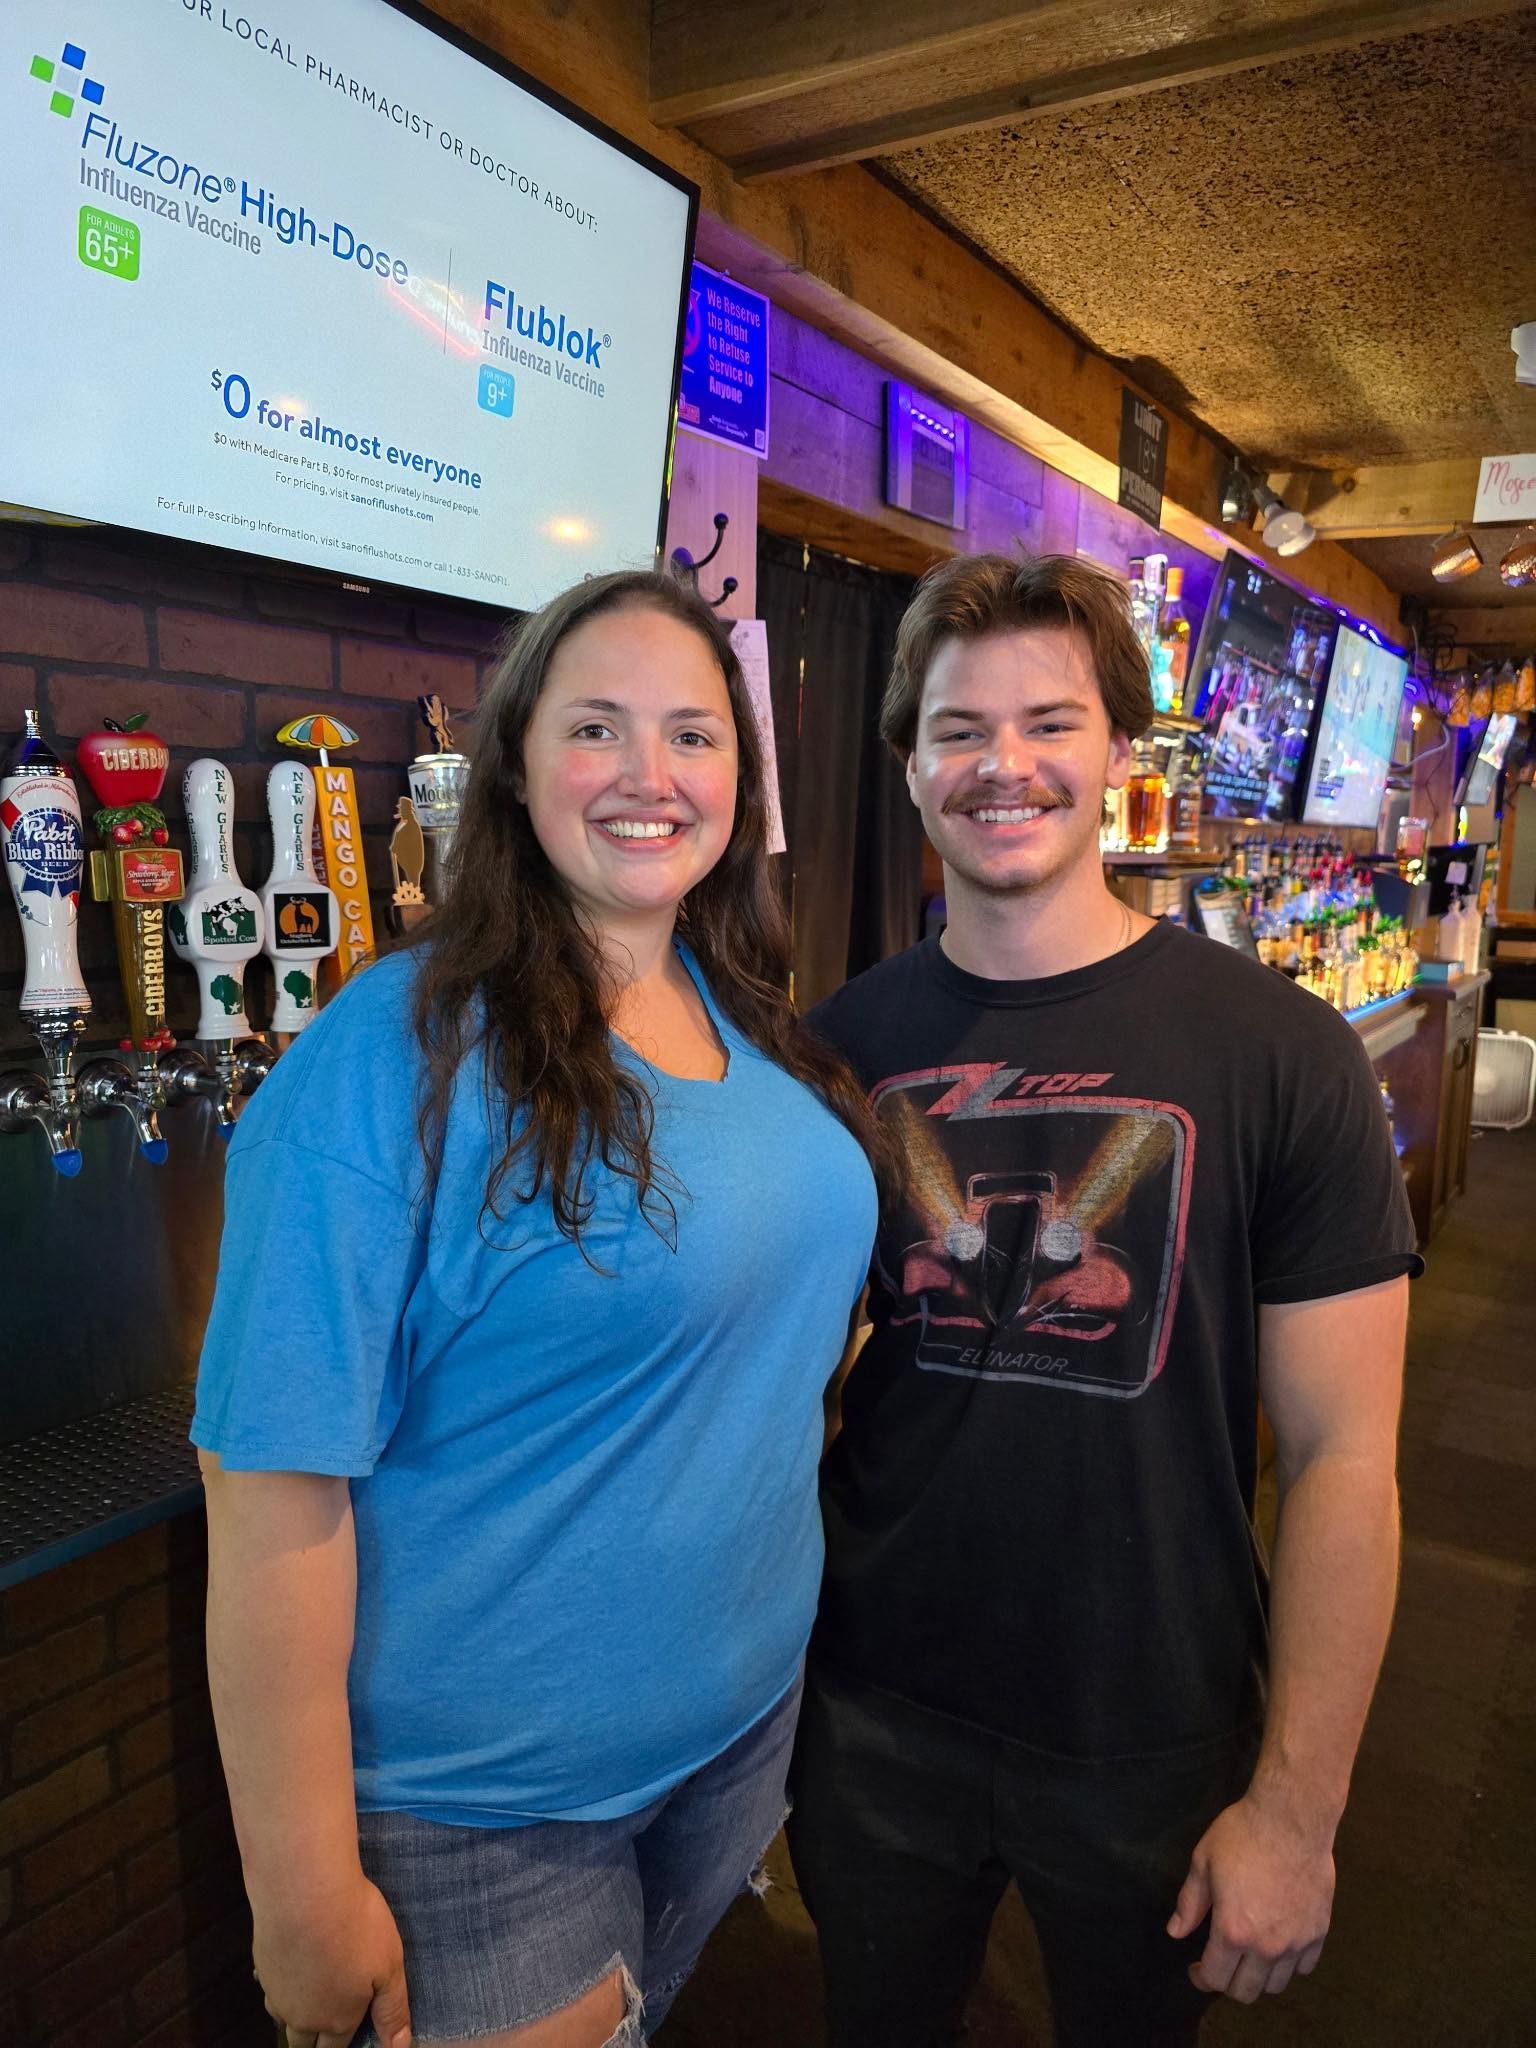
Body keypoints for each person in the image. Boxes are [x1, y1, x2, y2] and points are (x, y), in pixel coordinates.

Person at [192, 569, 884, 2048]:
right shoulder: (396, 1050)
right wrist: (301, 1885)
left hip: (735, 1731)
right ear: (514, 764)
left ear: (740, 780)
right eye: (598, 729)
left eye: (694, 735)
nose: (650, 776)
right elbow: (265, 1483)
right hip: (482, 1803)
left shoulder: (742, 1006)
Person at [789, 551, 1420, 2048]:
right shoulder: (832, 1050)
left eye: (1051, 722)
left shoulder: (1281, 1052)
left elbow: (1348, 1462)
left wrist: (1299, 1808)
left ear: (1118, 753)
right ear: (908, 764)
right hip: (873, 1705)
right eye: (959, 729)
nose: (1005, 764)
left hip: (1153, 1719)